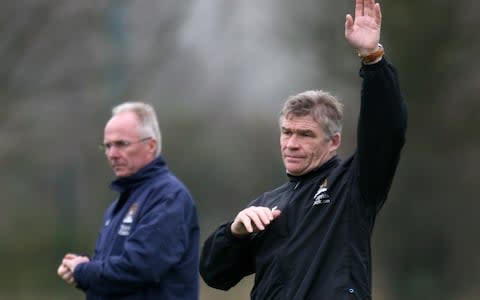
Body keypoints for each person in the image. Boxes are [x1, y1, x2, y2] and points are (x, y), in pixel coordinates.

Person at [199, 0, 407, 299]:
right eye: (287, 132)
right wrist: (234, 232)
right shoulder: (268, 205)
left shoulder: (352, 187)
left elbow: (387, 130)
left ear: (333, 141)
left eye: (306, 134)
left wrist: (372, 59)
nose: (291, 143)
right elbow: (215, 274)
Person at [57, 102, 200, 300]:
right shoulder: (117, 206)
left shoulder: (169, 197)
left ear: (151, 145)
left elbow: (139, 268)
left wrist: (83, 271)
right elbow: (115, 277)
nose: (112, 154)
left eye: (121, 144)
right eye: (107, 146)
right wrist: (82, 270)